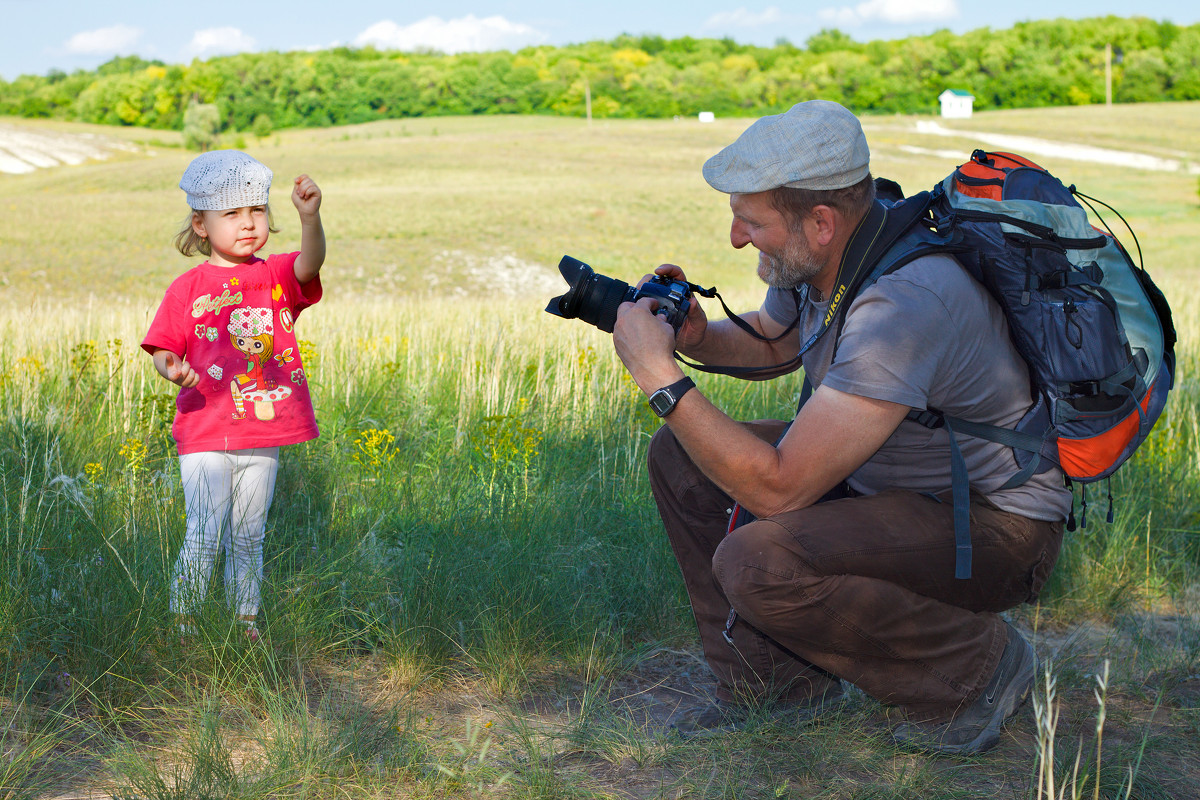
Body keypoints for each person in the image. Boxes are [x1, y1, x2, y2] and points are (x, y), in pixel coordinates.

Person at [611, 100, 1071, 754]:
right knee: (681, 458)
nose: (737, 239)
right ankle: (777, 688)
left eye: (750, 221)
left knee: (757, 560)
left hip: (997, 526)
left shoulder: (906, 301)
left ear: (821, 222)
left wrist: (659, 376)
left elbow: (779, 491)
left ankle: (977, 670)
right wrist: (696, 338)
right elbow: (778, 342)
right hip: (892, 490)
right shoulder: (830, 255)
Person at [141, 150, 326, 642]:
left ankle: (246, 621)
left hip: (263, 429)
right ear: (200, 224)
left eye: (257, 211)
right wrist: (171, 368)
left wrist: (311, 217)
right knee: (204, 530)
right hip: (204, 431)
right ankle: (184, 624)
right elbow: (161, 348)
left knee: (249, 532)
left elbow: (311, 265)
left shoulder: (274, 277)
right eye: (232, 214)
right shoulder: (187, 288)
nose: (248, 224)